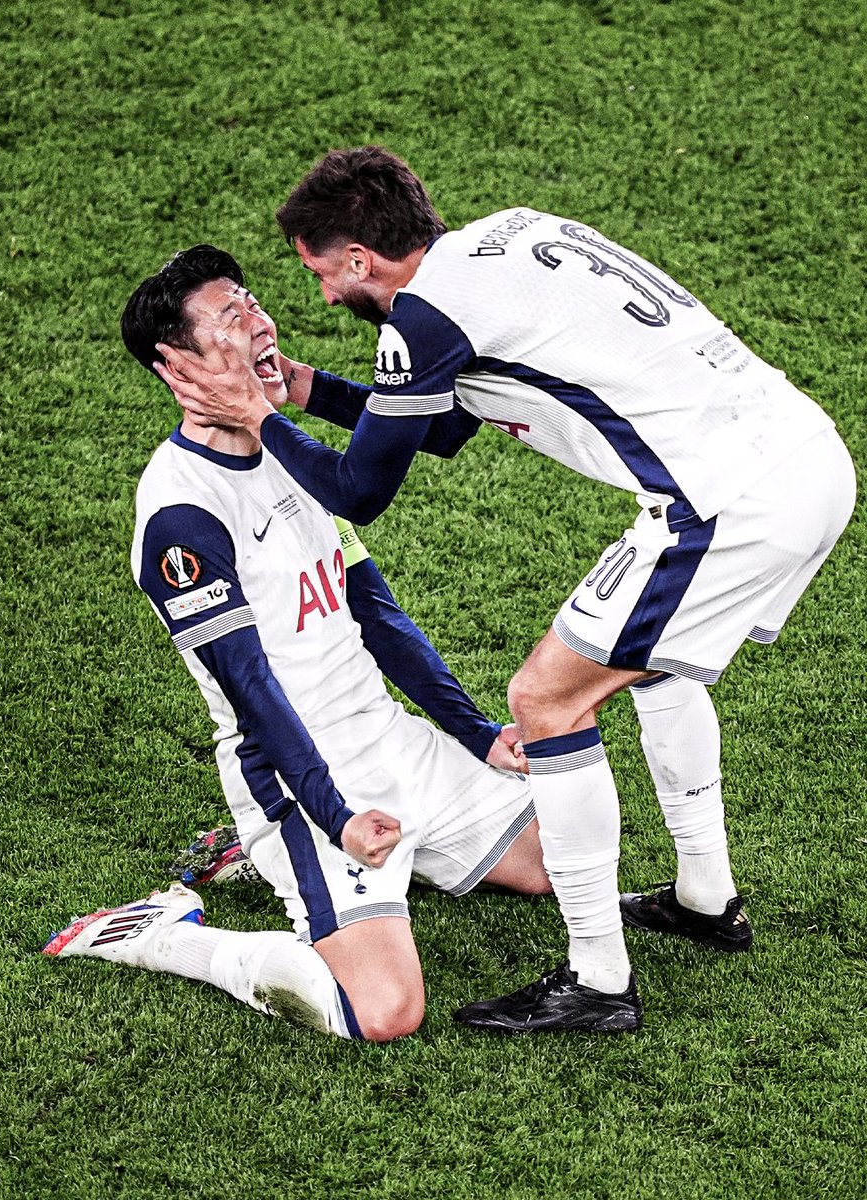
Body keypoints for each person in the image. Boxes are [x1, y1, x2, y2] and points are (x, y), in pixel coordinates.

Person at [153, 149, 856, 1035]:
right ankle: (704, 899)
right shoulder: (512, 235)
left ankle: (599, 983)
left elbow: (362, 491)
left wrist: (263, 417)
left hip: (724, 507)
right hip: (804, 458)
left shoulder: (422, 317)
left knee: (545, 700)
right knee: (657, 668)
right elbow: (446, 425)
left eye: (323, 274)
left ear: (361, 259)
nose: (325, 298)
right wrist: (306, 388)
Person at [43, 244, 555, 1043]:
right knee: (384, 1012)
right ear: (176, 366)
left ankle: (345, 858)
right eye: (229, 317)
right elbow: (253, 693)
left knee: (566, 859)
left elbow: (376, 615)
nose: (259, 320)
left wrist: (476, 732)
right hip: (299, 776)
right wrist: (335, 814)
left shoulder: (286, 452)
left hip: (387, 739)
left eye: (251, 300)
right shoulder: (184, 515)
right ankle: (165, 933)